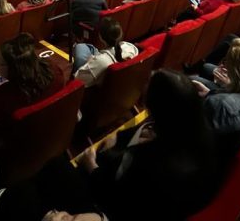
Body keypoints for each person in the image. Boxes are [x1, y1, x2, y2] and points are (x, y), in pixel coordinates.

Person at [79, 70, 218, 220]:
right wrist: (119, 138)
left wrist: (91, 166)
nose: (143, 84)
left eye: (148, 82)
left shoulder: (149, 160)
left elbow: (115, 197)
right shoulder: (196, 131)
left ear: (155, 105)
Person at [73, 18, 139, 87]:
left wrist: (90, 61)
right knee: (85, 47)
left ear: (101, 37)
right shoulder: (130, 47)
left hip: (97, 80)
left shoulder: (100, 61)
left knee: (80, 47)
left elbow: (77, 79)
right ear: (120, 34)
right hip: (120, 83)